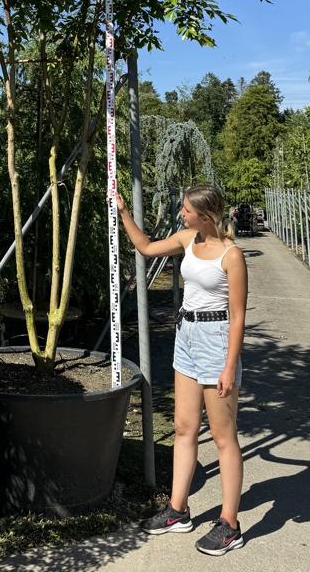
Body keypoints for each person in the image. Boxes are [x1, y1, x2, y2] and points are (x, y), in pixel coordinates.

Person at [116, 184, 248, 556]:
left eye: (186, 209)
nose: (181, 213)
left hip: (217, 339)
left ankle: (230, 524)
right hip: (186, 336)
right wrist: (123, 212)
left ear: (205, 214)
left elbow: (238, 317)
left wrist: (228, 366)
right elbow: (145, 247)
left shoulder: (231, 255)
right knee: (184, 428)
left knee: (224, 437)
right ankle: (178, 510)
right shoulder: (188, 238)